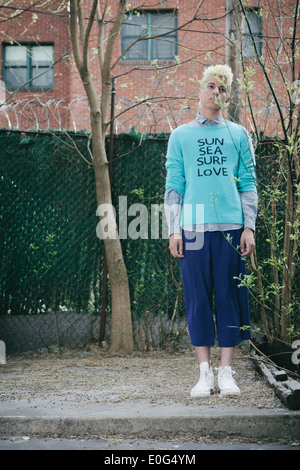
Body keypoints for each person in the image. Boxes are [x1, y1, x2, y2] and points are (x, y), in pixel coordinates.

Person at [164, 64, 258, 397]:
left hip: (232, 229)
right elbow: (174, 185)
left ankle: (227, 373)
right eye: (211, 85)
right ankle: (204, 374)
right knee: (198, 301)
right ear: (200, 88)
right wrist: (174, 230)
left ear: (227, 96)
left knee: (229, 299)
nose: (215, 92)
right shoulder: (181, 136)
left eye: (222, 89)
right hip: (193, 231)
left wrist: (250, 227)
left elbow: (248, 183)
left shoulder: (238, 135)